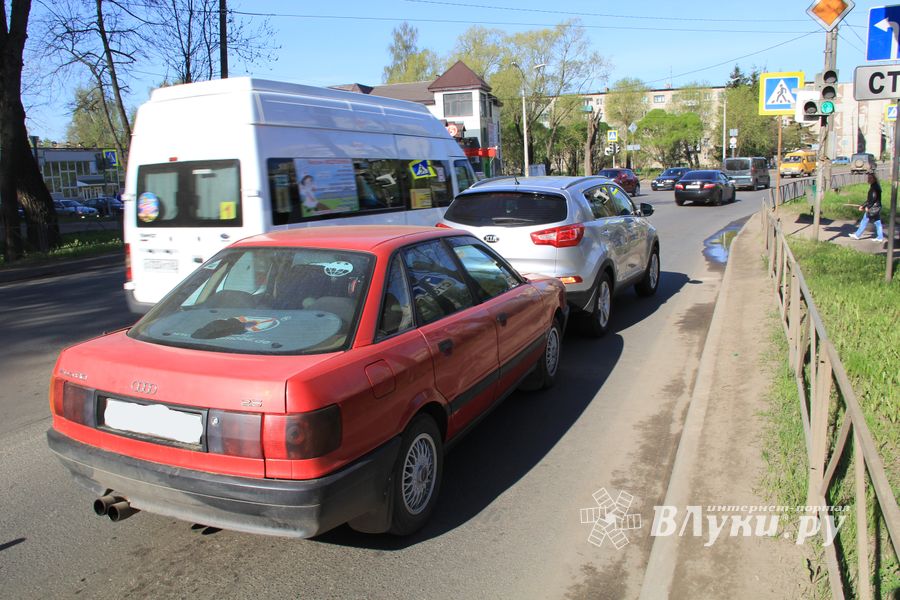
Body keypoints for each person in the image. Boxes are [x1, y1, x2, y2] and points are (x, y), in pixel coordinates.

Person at [849, 172, 884, 242]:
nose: (868, 179)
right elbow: (871, 199)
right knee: (877, 222)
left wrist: (866, 206)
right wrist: (864, 205)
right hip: (877, 207)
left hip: (873, 208)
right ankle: (880, 237)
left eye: (870, 178)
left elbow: (872, 199)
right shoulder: (876, 186)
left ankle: (857, 235)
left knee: (864, 221)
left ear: (874, 179)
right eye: (868, 178)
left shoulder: (874, 187)